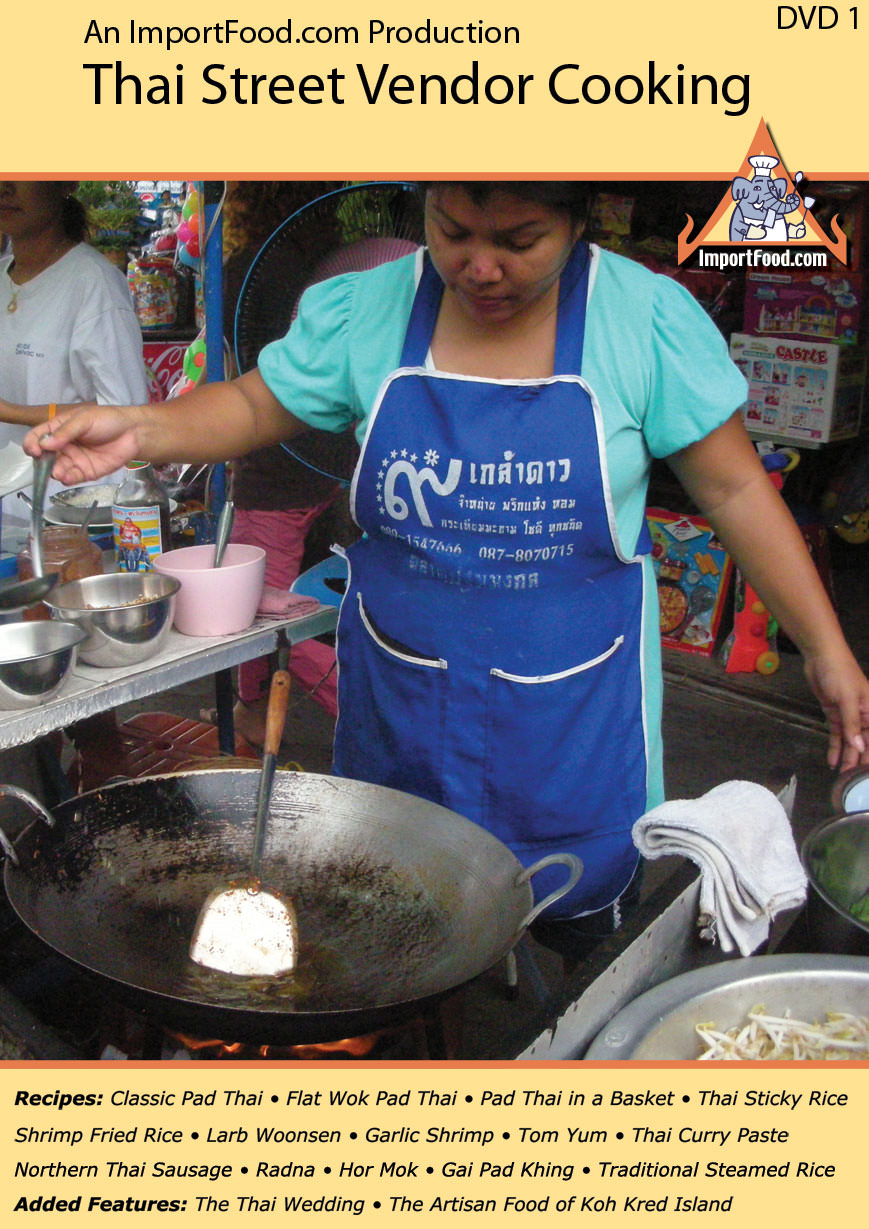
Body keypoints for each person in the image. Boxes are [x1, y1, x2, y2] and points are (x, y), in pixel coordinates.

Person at [14, 181, 869, 947]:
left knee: (572, 958)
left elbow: (732, 491)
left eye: (519, 239)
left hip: (568, 726)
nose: (480, 266)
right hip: (402, 707)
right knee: (392, 929)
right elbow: (251, 403)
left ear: (579, 222)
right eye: (453, 229)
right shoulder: (371, 307)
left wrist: (825, 650)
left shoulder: (639, 319)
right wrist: (140, 425)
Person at [0, 179, 149, 516]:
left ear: (65, 183)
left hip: (72, 506)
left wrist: (11, 411)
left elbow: (125, 411)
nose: (4, 187)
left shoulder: (94, 282)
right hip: (8, 505)